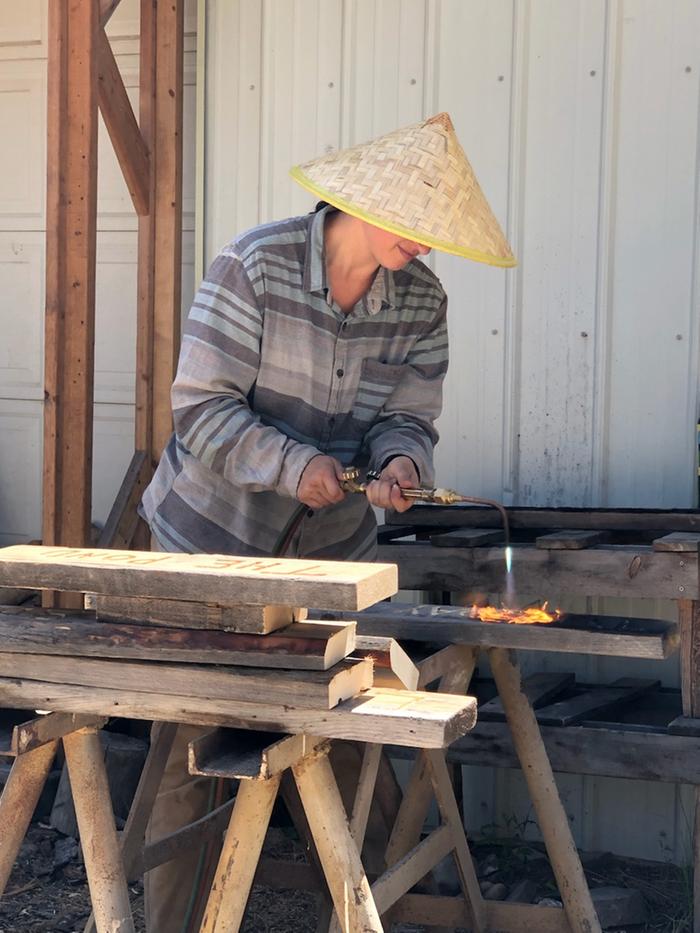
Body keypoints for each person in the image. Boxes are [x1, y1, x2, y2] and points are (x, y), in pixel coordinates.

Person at [139, 111, 514, 931]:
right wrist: (291, 465)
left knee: (344, 740)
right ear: (361, 202)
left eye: (434, 235)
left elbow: (409, 417)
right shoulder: (254, 267)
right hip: (210, 545)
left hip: (332, 559)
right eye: (414, 229)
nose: (424, 246)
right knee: (191, 752)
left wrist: (401, 463)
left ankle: (353, 915)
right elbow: (199, 412)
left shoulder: (423, 299)